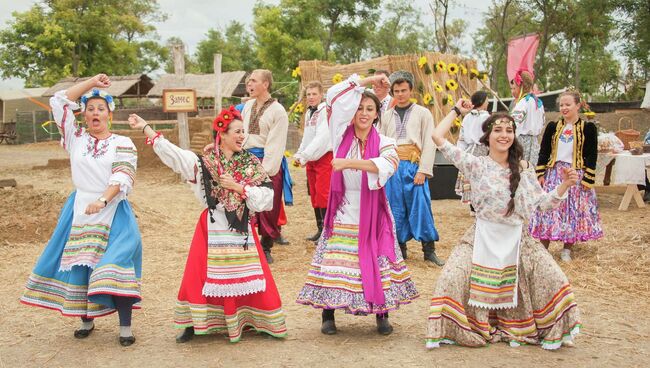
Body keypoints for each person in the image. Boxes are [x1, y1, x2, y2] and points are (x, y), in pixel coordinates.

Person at [426, 101, 582, 350]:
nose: (504, 135)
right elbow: (437, 136)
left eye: (509, 130)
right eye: (498, 130)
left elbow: (543, 204)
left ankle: (541, 328)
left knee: (555, 278)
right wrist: (457, 111)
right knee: (450, 277)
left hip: (518, 240)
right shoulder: (476, 164)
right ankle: (463, 327)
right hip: (482, 236)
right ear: (488, 136)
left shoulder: (524, 169)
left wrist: (564, 186)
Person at [129, 107, 288, 343]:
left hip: (240, 227)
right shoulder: (204, 162)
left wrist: (239, 187)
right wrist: (146, 128)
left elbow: (267, 199)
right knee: (199, 275)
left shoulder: (250, 162)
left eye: (243, 131)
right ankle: (194, 323)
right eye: (237, 131)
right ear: (222, 135)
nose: (242, 136)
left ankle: (253, 319)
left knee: (243, 276)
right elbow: (174, 155)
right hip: (211, 226)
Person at [20, 74, 142, 347]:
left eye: (101, 108)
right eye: (90, 109)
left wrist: (102, 200)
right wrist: (91, 84)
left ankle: (125, 327)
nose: (96, 113)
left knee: (116, 265)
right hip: (79, 209)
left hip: (114, 211)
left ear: (110, 114)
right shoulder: (75, 138)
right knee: (81, 265)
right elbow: (59, 100)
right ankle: (86, 320)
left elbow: (123, 175)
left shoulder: (122, 143)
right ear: (84, 114)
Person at [296, 74, 419, 336]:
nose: (364, 113)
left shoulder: (386, 142)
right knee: (336, 259)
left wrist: (348, 163)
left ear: (377, 115)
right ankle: (327, 314)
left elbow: (385, 166)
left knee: (377, 257)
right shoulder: (340, 135)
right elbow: (334, 95)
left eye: (370, 109)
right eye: (360, 108)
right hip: (343, 207)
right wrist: (369, 79)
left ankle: (381, 313)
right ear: (352, 113)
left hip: (373, 209)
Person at [529, 90, 603, 262]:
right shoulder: (553, 127)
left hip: (574, 174)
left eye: (568, 104)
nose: (564, 108)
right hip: (554, 173)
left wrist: (588, 179)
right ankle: (543, 248)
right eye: (561, 105)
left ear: (578, 105)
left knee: (572, 211)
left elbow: (592, 154)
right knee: (548, 209)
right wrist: (540, 173)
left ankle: (567, 249)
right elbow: (544, 151)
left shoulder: (588, 128)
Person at [378, 70, 442, 265]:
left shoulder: (423, 113)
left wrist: (423, 170)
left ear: (411, 90)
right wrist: (383, 167)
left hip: (414, 167)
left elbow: (429, 141)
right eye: (396, 90)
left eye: (404, 90)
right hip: (393, 166)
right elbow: (380, 141)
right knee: (394, 207)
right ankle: (399, 249)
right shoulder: (387, 115)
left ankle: (428, 250)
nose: (400, 94)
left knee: (421, 206)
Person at [242, 69, 292, 262]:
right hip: (247, 159)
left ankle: (266, 245)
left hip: (268, 160)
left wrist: (266, 170)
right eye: (248, 82)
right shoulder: (248, 106)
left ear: (266, 84)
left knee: (268, 205)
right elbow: (244, 134)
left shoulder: (277, 111)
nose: (249, 85)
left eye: (253, 81)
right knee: (247, 201)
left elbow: (275, 143)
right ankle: (249, 242)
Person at [293, 81, 332, 244]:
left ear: (321, 95)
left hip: (323, 157)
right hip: (312, 159)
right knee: (314, 194)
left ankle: (327, 231)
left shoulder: (325, 112)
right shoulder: (309, 113)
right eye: (308, 94)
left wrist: (305, 155)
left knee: (324, 194)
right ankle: (319, 228)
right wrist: (300, 153)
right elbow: (308, 137)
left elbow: (321, 138)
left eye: (314, 94)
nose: (311, 97)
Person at [454, 91, 490, 211]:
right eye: (487, 100)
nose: (488, 102)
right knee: (481, 177)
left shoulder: (467, 117)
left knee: (471, 177)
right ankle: (480, 205)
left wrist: (460, 152)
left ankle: (472, 206)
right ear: (482, 102)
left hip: (469, 150)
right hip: (482, 150)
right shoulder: (487, 118)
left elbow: (462, 137)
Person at [509, 69, 544, 165]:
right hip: (534, 143)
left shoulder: (523, 103)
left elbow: (514, 125)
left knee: (520, 168)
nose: (513, 91)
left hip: (522, 143)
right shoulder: (538, 103)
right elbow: (542, 123)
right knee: (530, 169)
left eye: (514, 88)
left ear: (520, 86)